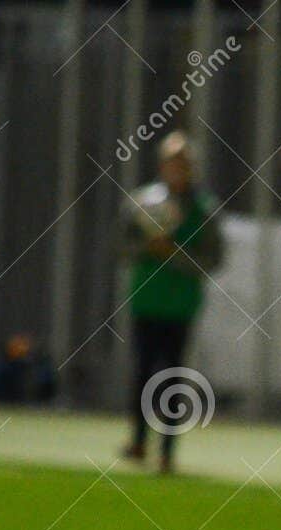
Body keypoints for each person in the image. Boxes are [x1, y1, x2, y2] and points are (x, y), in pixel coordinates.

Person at [120, 131, 223, 474]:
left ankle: (166, 450)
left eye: (184, 163)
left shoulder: (204, 209)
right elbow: (121, 248)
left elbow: (213, 260)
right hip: (146, 300)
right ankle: (137, 441)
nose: (177, 169)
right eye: (171, 162)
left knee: (173, 378)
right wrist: (148, 246)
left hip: (181, 305)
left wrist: (173, 253)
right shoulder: (143, 203)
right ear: (162, 166)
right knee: (141, 372)